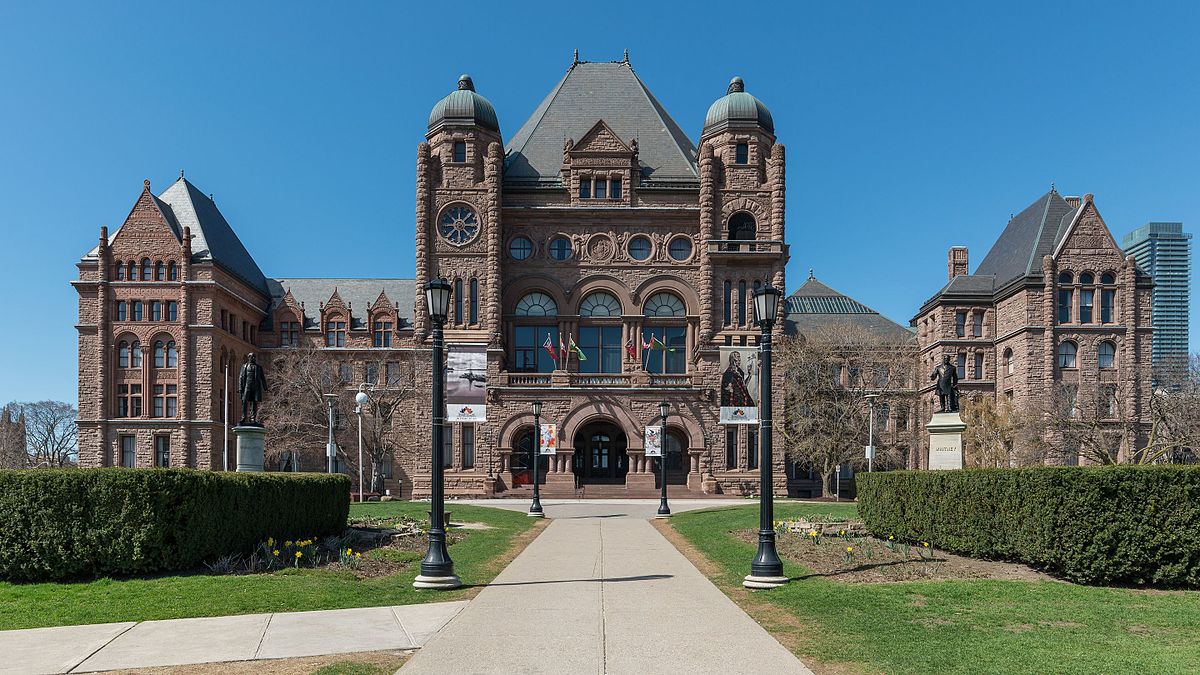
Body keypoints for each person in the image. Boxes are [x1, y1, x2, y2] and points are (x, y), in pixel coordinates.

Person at [238, 353, 268, 425]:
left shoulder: (258, 367)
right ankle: (243, 417)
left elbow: (262, 378)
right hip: (247, 387)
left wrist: (265, 387)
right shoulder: (244, 366)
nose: (254, 358)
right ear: (249, 358)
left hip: (255, 387)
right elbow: (241, 377)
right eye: (252, 357)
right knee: (244, 402)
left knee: (254, 403)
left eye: (254, 357)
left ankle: (253, 418)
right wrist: (240, 388)